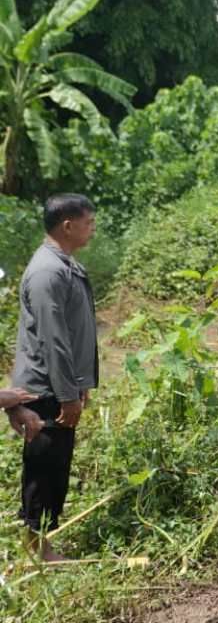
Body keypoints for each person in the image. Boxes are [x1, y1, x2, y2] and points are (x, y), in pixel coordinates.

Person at [6, 193, 99, 562]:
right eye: (88, 223)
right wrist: (66, 394)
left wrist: (78, 385)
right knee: (44, 469)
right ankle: (36, 549)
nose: (92, 230)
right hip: (45, 389)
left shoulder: (64, 264)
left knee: (56, 466)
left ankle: (42, 545)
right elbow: (53, 339)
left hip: (58, 386)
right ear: (68, 226)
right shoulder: (47, 271)